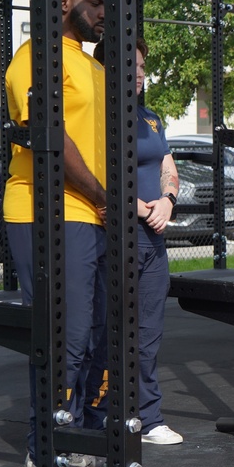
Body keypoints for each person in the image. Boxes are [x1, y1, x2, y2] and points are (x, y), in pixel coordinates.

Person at [5, 0, 106, 467]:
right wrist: (99, 194)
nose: (103, 12)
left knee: (92, 336)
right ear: (65, 1)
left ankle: (79, 440)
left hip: (91, 213)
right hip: (48, 210)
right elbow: (51, 135)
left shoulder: (91, 65)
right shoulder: (35, 54)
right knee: (62, 336)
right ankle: (42, 453)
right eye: (95, 3)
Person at [83, 37, 184, 445]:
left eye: (142, 66)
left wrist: (168, 199)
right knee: (107, 334)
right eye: (131, 66)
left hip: (152, 242)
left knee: (147, 335)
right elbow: (93, 175)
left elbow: (167, 163)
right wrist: (140, 208)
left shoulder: (151, 117)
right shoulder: (97, 117)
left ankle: (148, 417)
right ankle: (98, 417)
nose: (139, 74)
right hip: (114, 239)